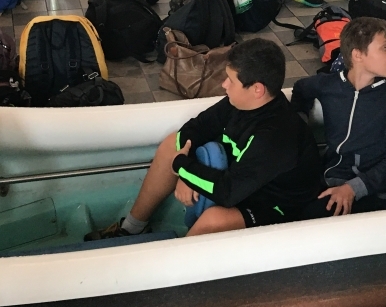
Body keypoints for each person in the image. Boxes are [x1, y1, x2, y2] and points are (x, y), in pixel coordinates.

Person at [87, 39, 321, 238]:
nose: (224, 84)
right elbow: (194, 128)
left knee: (213, 220)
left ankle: (173, 268)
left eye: (231, 80)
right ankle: (132, 228)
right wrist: (186, 173)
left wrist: (182, 167)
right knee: (172, 143)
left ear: (257, 89)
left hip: (277, 206)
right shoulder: (238, 103)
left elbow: (227, 193)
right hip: (242, 182)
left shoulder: (276, 137)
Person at [292, 17, 386, 217]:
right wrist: (299, 128)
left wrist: (352, 189)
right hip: (328, 177)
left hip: (371, 190)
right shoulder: (330, 85)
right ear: (357, 55)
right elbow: (300, 90)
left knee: (309, 219)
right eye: (385, 48)